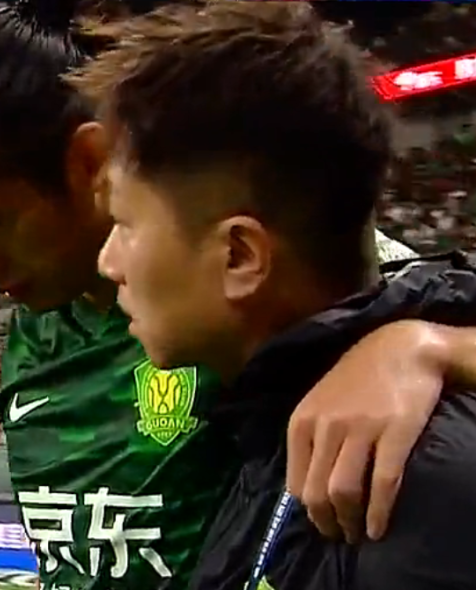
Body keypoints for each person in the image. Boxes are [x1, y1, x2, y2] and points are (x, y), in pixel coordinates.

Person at [0, 1, 476, 588]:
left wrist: (426, 346)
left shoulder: (229, 292)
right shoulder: (37, 328)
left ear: (88, 162)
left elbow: (384, 300)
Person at [70, 3, 476, 589]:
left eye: (125, 224)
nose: (108, 262)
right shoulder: (274, 433)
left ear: (240, 256)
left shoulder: (408, 488)